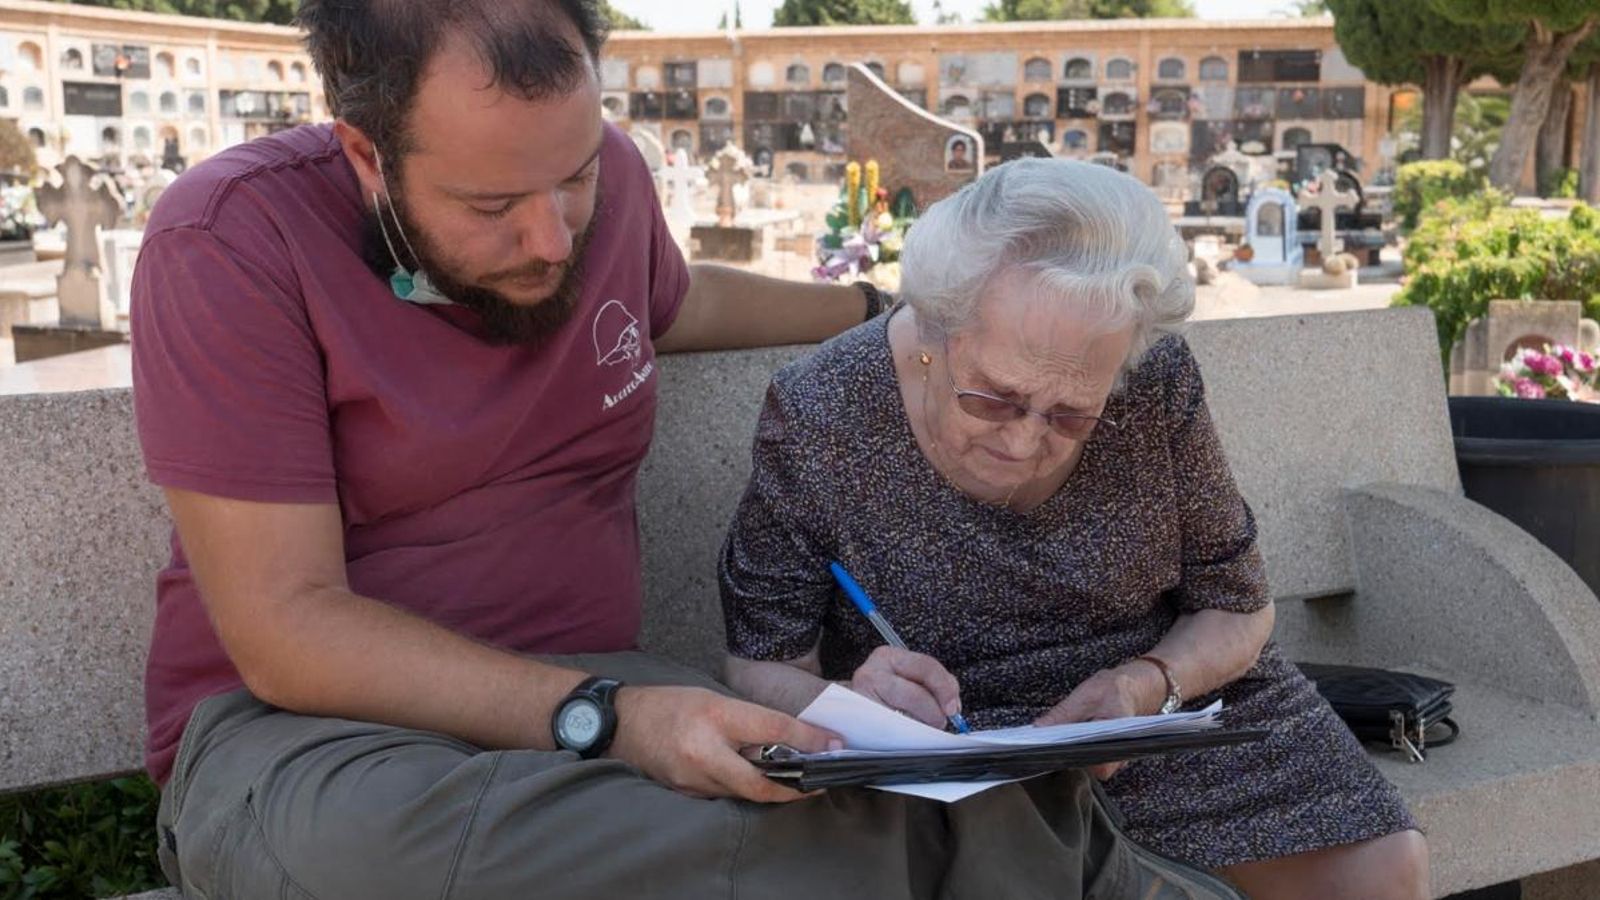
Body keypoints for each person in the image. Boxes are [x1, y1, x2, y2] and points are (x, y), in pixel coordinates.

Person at [130, 2, 1240, 898]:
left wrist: (887, 309)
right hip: (315, 743)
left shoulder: (601, 197)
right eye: (491, 204)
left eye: (574, 179)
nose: (553, 239)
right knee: (735, 858)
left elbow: (674, 297)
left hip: (602, 703)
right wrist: (604, 717)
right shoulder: (233, 243)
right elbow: (287, 632)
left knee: (938, 785)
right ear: (368, 155)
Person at [720, 158, 1431, 900]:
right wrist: (849, 699)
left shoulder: (1152, 381)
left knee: (1383, 866)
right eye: (994, 399)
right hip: (942, 750)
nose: (1026, 442)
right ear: (936, 327)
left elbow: (1238, 604)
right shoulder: (822, 412)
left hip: (1147, 719)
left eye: (1071, 415)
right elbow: (757, 665)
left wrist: (1150, 682)